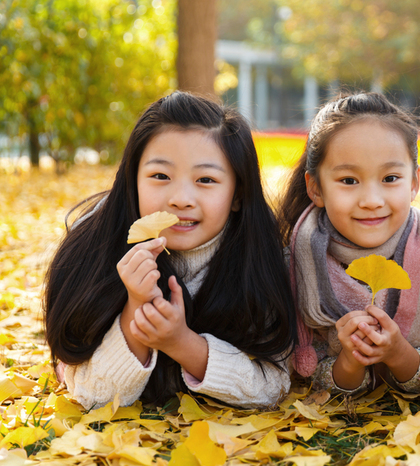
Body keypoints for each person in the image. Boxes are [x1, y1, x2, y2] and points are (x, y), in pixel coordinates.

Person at [44, 92, 296, 409]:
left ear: (237, 194)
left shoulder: (259, 257)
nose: (180, 198)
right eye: (160, 176)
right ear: (132, 181)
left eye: (206, 179)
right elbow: (94, 396)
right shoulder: (95, 247)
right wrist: (136, 305)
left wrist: (181, 343)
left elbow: (272, 387)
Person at [278, 92, 420, 395]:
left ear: (414, 183)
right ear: (315, 188)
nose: (371, 201)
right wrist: (350, 361)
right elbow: (308, 372)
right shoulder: (296, 266)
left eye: (390, 178)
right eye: (349, 181)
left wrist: (398, 353)